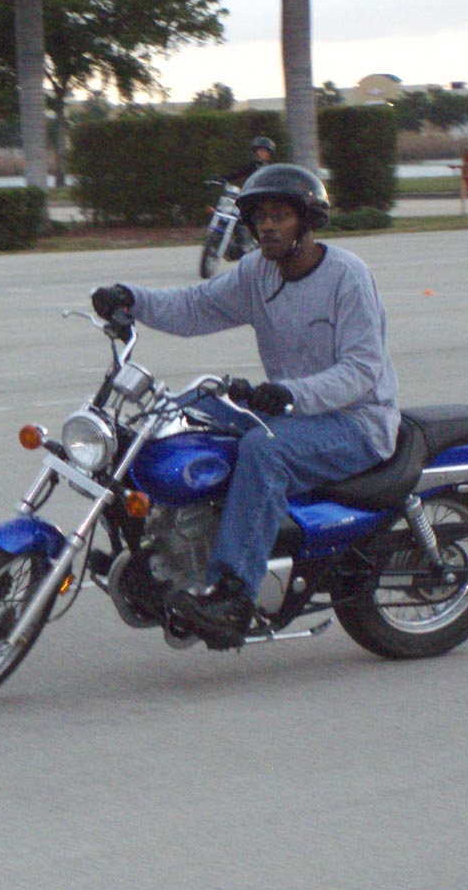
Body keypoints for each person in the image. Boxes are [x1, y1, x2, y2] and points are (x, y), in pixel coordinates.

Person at [90, 163, 400, 650]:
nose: (268, 226)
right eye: (260, 218)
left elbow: (362, 371)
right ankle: (155, 547)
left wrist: (293, 393)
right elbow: (196, 307)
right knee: (179, 414)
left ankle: (234, 596)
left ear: (306, 220)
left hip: (356, 421)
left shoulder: (347, 277)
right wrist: (132, 299)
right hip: (291, 410)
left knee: (263, 450)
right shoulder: (258, 272)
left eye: (280, 216)